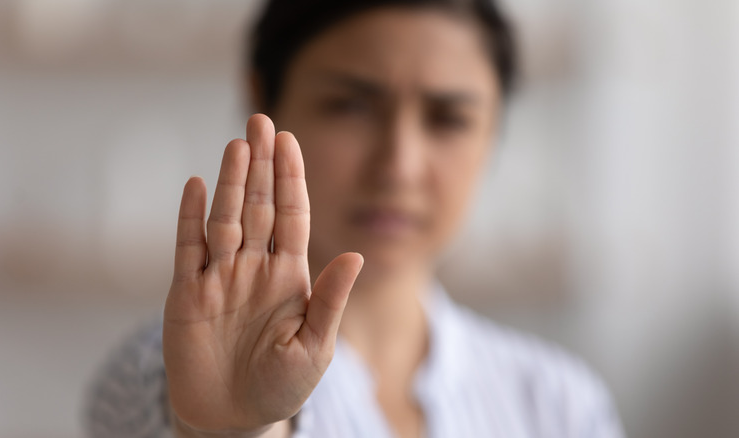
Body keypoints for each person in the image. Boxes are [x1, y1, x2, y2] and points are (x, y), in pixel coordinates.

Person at [85, 0, 626, 437]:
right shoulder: (161, 375)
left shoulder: (559, 403)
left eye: (448, 118)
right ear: (262, 100)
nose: (399, 166)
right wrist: (232, 431)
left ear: (495, 132)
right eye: (351, 106)